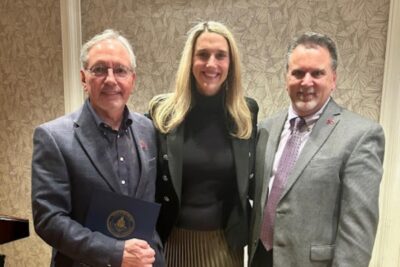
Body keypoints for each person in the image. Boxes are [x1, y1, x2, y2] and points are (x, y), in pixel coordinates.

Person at [249, 32, 385, 266]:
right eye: (298, 73)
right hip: (259, 258)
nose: (306, 82)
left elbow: (357, 233)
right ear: (286, 78)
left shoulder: (360, 136)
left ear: (333, 79)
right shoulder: (265, 129)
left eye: (317, 73)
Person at [31, 29, 164, 267]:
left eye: (120, 70)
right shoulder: (53, 137)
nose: (111, 79)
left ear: (132, 80)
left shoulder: (149, 130)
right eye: (100, 69)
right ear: (84, 78)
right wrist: (115, 253)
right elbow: (49, 220)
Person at [148, 21, 258, 267]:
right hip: (172, 243)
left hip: (225, 246)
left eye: (221, 55)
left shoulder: (246, 113)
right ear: (190, 61)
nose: (211, 64)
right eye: (202, 55)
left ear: (231, 64)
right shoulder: (162, 113)